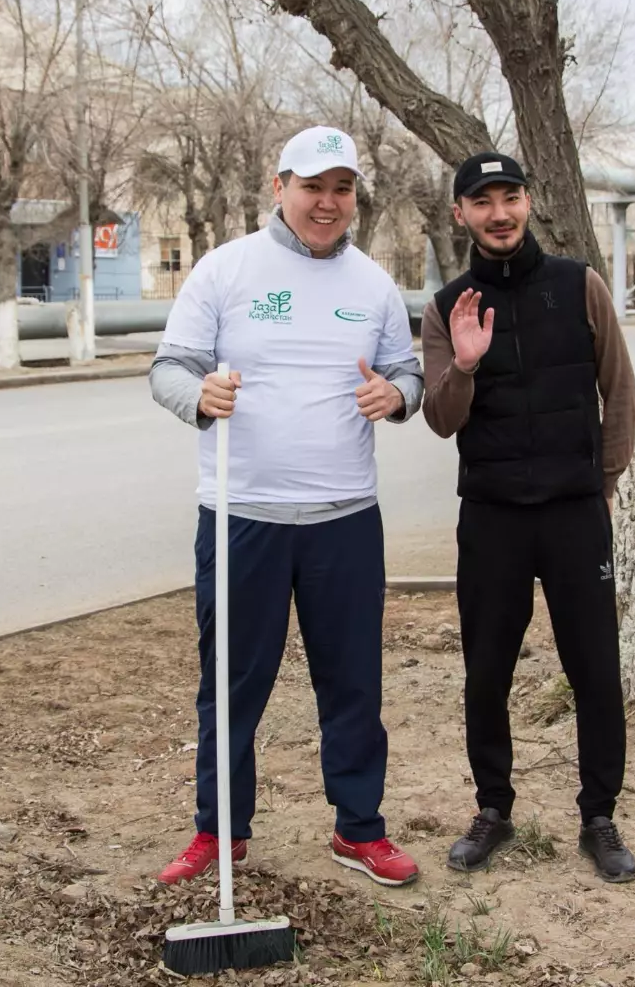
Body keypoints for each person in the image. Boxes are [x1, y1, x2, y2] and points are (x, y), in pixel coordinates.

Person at [148, 125, 424, 888]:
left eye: (342, 189)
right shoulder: (226, 269)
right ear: (280, 188)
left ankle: (359, 829)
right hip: (244, 517)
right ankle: (220, 834)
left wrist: (396, 395)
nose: (327, 203)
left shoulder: (373, 283)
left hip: (344, 518)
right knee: (232, 683)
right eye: (312, 187)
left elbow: (408, 371)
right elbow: (168, 367)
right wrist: (197, 396)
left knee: (354, 685)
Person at [420, 151, 635, 883]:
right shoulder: (447, 305)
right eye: (482, 202)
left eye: (510, 196)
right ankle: (493, 809)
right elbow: (442, 420)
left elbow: (622, 395)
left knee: (594, 669)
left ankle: (599, 815)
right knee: (486, 672)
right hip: (492, 519)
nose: (500, 212)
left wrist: (599, 486)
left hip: (575, 514)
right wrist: (467, 361)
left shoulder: (579, 286)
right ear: (462, 214)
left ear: (528, 201)